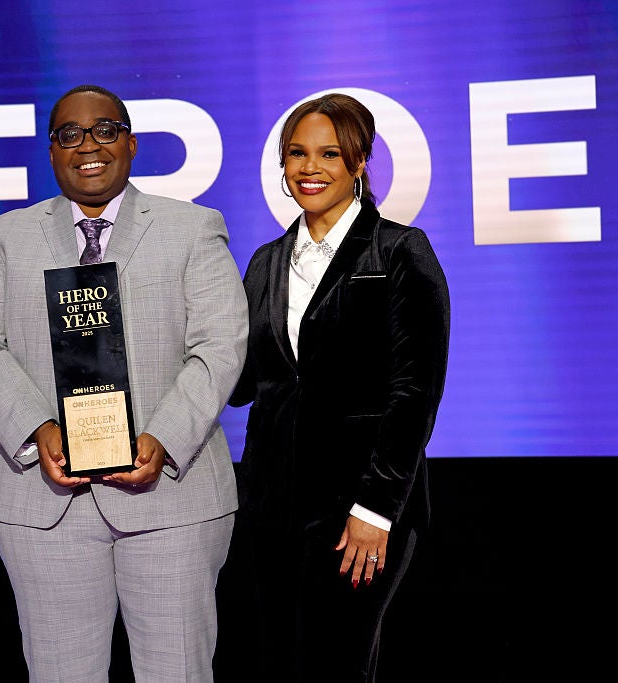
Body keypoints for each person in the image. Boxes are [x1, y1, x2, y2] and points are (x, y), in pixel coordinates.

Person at [0, 84, 248, 682]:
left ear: (132, 144)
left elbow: (220, 345)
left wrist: (161, 437)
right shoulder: (6, 237)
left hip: (172, 499)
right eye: (70, 134)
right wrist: (39, 429)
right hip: (43, 501)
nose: (89, 145)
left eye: (105, 131)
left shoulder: (193, 229)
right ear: (52, 152)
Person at [228, 93, 450, 682]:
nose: (310, 168)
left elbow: (415, 393)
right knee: (279, 665)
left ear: (359, 163)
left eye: (330, 153)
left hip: (360, 506)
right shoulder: (265, 262)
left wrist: (376, 508)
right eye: (297, 153)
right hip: (272, 506)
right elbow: (243, 383)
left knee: (338, 666)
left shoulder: (401, 252)